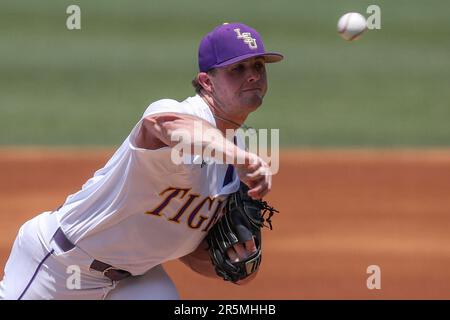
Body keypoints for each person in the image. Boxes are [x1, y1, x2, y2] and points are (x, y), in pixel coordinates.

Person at [0, 22, 283, 300]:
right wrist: (238, 157)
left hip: (134, 279)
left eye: (258, 66)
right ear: (207, 82)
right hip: (59, 266)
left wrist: (240, 265)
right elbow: (163, 125)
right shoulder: (177, 114)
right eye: (238, 68)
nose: (253, 76)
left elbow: (193, 251)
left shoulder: (237, 160)